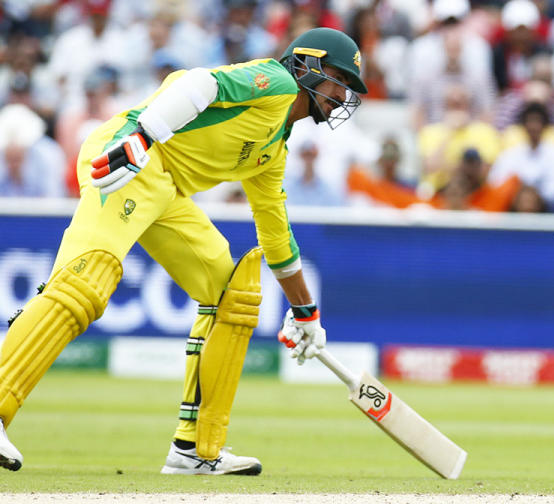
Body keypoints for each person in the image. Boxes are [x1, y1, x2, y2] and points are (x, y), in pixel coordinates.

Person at [0, 28, 368, 475]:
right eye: (338, 79)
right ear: (307, 65)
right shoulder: (277, 81)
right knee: (87, 282)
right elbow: (197, 83)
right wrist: (143, 137)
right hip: (128, 151)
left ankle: (195, 449)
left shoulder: (273, 151)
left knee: (231, 292)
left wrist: (307, 313)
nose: (343, 93)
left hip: (165, 187)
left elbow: (277, 236)